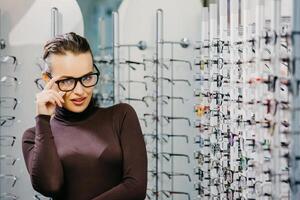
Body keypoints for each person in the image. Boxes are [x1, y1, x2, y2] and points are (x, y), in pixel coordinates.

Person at [21, 32, 147, 200]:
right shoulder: (33, 136)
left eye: (86, 77)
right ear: (47, 79)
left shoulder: (121, 116)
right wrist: (43, 121)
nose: (80, 91)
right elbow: (50, 185)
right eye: (67, 81)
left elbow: (136, 188)